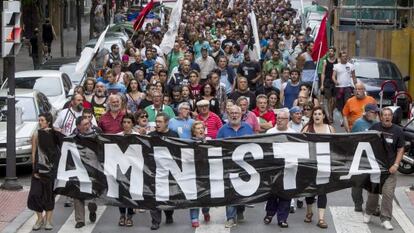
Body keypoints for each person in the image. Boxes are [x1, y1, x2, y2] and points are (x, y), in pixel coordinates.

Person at [364, 107, 405, 230]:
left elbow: (400, 149)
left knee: (388, 193)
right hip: (375, 168)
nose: (387, 117)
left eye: (389, 115)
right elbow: (365, 143)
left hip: (390, 169)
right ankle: (369, 212)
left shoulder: (398, 130)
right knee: (373, 193)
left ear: (392, 117)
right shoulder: (374, 128)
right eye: (384, 115)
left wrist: (396, 165)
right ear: (380, 117)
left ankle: (385, 219)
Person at [216, 105, 254, 228]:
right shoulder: (222, 130)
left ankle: (240, 210)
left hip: (245, 167)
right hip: (229, 167)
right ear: (227, 114)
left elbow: (254, 146)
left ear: (241, 114)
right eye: (231, 113)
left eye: (236, 113)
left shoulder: (248, 128)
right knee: (230, 193)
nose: (234, 115)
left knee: (243, 191)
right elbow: (216, 148)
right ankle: (230, 218)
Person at [301, 106, 335, 229]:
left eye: (319, 114)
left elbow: (335, 146)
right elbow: (299, 144)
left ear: (324, 116)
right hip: (309, 164)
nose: (317, 116)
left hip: (324, 164)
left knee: (322, 190)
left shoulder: (330, 129)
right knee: (310, 189)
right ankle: (309, 211)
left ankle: (321, 219)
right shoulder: (306, 128)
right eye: (315, 114)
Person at [263, 110, 294, 227]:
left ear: (287, 120)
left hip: (288, 169)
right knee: (272, 194)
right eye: (278, 118)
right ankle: (269, 214)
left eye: (282, 118)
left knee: (286, 195)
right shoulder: (270, 132)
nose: (279, 120)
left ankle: (282, 219)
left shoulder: (293, 133)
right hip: (273, 168)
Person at [148, 113, 178, 230]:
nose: (157, 124)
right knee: (154, 197)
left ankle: (169, 213)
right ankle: (155, 221)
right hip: (155, 170)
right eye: (156, 121)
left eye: (160, 122)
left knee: (169, 196)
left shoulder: (174, 135)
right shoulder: (151, 135)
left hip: (170, 170)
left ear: (166, 123)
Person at [28, 112, 55, 230]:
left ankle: (48, 221)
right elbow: (33, 153)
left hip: (50, 170)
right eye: (39, 120)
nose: (40, 122)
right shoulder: (36, 134)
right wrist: (35, 169)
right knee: (35, 194)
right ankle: (39, 219)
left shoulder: (53, 134)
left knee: (49, 195)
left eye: (42, 120)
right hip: (39, 169)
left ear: (48, 121)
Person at [351, 103, 380, 212]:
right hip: (360, 158)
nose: (375, 114)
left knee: (374, 183)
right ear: (367, 112)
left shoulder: (377, 123)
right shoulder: (358, 123)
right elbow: (351, 139)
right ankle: (358, 204)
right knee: (357, 184)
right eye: (373, 112)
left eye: (376, 112)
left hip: (373, 158)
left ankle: (374, 206)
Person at [71, 116, 99, 229]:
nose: (88, 126)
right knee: (77, 194)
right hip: (78, 169)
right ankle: (80, 220)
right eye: (85, 125)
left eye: (88, 123)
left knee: (92, 196)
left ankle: (92, 210)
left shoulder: (97, 134)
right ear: (78, 127)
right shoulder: (73, 137)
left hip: (93, 169)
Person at [188, 121, 211, 227]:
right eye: (198, 128)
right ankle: (194, 218)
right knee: (194, 196)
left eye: (202, 128)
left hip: (207, 173)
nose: (200, 130)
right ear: (193, 132)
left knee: (206, 195)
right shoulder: (188, 143)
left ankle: (206, 211)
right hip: (193, 173)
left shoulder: (210, 141)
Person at [116, 114, 138, 227]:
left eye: (128, 122)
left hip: (133, 170)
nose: (126, 124)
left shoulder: (138, 136)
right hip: (120, 169)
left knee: (131, 193)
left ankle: (129, 216)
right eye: (124, 122)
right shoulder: (117, 136)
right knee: (121, 193)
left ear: (133, 124)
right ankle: (121, 215)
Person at [332, 50, 357, 114]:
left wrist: (356, 86)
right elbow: (333, 76)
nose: (345, 57)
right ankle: (342, 116)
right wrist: (335, 81)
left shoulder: (351, 65)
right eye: (343, 56)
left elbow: (354, 77)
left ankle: (346, 117)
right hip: (339, 87)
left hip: (347, 87)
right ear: (340, 57)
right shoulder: (336, 66)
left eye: (346, 56)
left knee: (347, 102)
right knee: (340, 105)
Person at [320, 46, 338, 122]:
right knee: (329, 99)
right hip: (327, 82)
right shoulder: (325, 61)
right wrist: (322, 84)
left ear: (334, 52)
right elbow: (323, 73)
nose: (330, 52)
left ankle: (331, 112)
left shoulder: (337, 61)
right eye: (329, 51)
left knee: (335, 100)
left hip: (335, 82)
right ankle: (330, 115)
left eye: (332, 51)